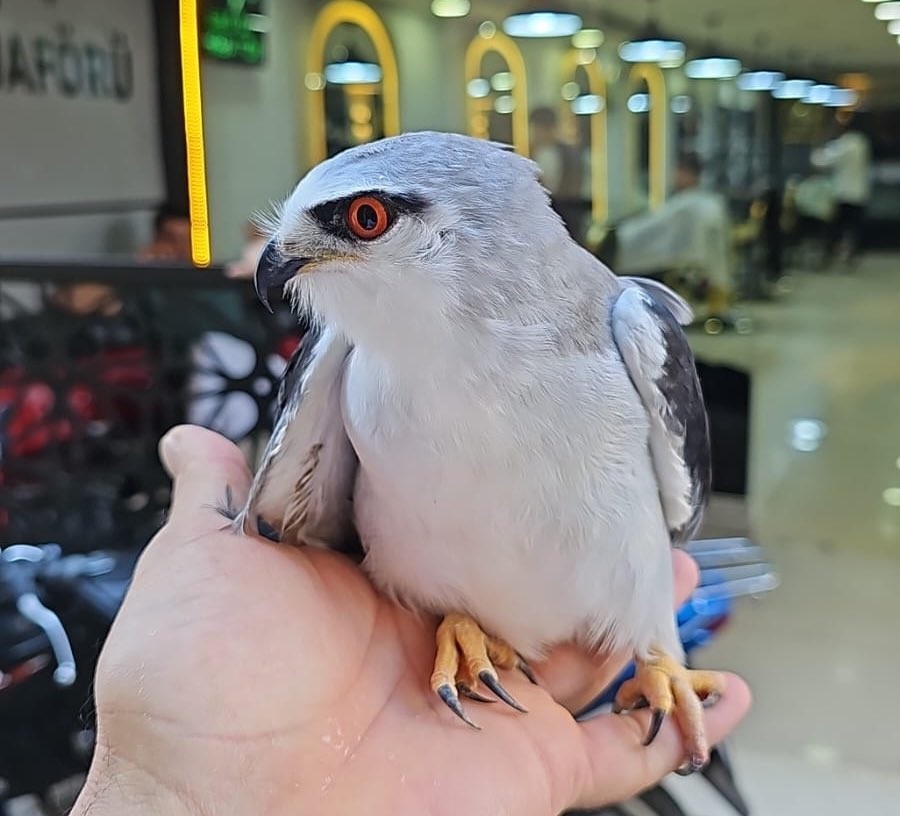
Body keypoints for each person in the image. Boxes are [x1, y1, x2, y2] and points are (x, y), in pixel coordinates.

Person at [70, 425, 749, 816]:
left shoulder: (611, 326)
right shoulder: (360, 368)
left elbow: (648, 530)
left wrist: (656, 645)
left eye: (365, 220)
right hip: (427, 620)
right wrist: (166, 791)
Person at [811, 117, 872, 264]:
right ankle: (850, 253)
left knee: (836, 226)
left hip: (844, 193)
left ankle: (829, 253)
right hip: (859, 193)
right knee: (853, 227)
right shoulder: (862, 142)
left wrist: (816, 151)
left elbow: (822, 160)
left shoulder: (845, 144)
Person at [529, 106, 587, 241]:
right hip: (559, 214)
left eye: (537, 129)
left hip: (566, 213)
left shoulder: (566, 153)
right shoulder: (540, 152)